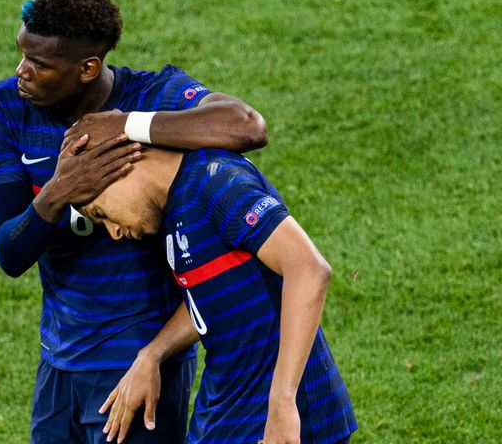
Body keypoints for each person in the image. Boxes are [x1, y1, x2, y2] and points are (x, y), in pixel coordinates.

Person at [0, 0, 267, 443]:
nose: (22, 72)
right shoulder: (6, 108)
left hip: (140, 363)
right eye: (22, 54)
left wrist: (127, 124)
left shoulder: (155, 95)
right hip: (59, 359)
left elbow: (246, 126)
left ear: (88, 68)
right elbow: (9, 254)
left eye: (41, 64)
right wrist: (59, 192)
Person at [77, 146, 358, 444]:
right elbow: (209, 298)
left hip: (283, 419)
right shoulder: (174, 210)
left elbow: (307, 268)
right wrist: (152, 354)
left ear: (122, 167)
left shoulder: (215, 182)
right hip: (227, 411)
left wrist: (282, 403)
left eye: (100, 212)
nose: (113, 232)